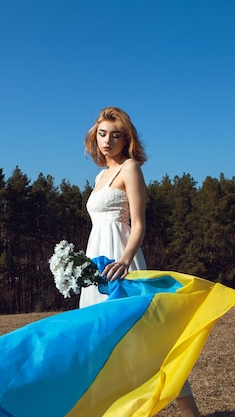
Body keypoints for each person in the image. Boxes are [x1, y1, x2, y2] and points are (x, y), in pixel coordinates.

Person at [80, 106, 202, 417]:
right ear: (95, 136)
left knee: (145, 341)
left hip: (122, 260)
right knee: (102, 343)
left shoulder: (131, 169)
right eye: (103, 134)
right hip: (96, 262)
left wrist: (124, 260)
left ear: (126, 139)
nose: (108, 140)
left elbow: (139, 224)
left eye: (116, 135)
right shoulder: (99, 176)